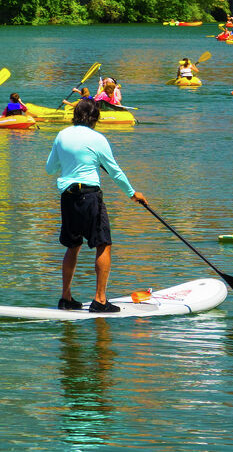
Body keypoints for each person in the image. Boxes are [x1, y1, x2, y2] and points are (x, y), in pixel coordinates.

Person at [46, 99, 148, 313]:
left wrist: (70, 161)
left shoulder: (62, 135)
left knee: (72, 246)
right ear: (95, 118)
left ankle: (66, 298)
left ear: (75, 115)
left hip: (67, 196)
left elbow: (50, 168)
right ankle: (100, 300)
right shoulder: (98, 139)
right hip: (90, 196)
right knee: (103, 244)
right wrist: (132, 194)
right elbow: (115, 171)